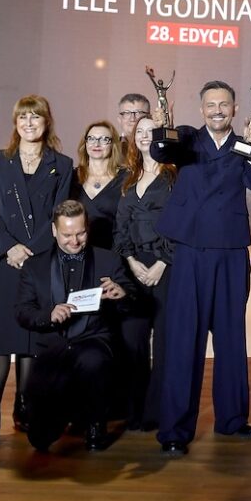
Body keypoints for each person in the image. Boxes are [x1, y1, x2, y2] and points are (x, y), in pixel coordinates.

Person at [150, 80, 251, 456]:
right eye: (211, 105)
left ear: (235, 109)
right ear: (202, 110)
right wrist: (161, 126)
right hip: (191, 250)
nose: (217, 110)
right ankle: (174, 430)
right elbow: (161, 150)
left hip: (231, 250)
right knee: (185, 339)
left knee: (232, 338)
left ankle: (232, 420)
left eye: (224, 105)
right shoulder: (187, 138)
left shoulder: (244, 143)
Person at [0, 95, 73, 447]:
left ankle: (24, 407)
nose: (29, 123)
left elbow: (60, 214)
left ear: (47, 122)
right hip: (3, 262)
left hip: (39, 261)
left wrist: (31, 250)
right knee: (0, 341)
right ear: (15, 123)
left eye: (36, 117)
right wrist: (9, 248)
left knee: (30, 341)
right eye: (23, 118)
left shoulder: (62, 164)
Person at [15, 201, 132, 452]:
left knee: (93, 362)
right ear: (54, 231)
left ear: (87, 227)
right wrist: (48, 314)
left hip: (92, 340)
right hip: (52, 347)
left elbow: (132, 303)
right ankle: (65, 414)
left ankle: (95, 424)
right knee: (39, 439)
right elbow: (22, 312)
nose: (75, 241)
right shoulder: (34, 266)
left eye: (80, 233)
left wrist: (122, 294)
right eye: (67, 235)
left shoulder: (108, 260)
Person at [113, 115, 177, 431]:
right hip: (134, 268)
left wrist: (162, 262)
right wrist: (129, 259)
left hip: (166, 266)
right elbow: (120, 226)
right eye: (139, 131)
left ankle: (157, 412)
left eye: (151, 131)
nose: (144, 136)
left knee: (163, 342)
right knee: (133, 339)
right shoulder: (128, 178)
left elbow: (180, 223)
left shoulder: (174, 176)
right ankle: (133, 410)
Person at [72, 122, 127, 253]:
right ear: (85, 143)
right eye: (91, 138)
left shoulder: (126, 178)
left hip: (114, 252)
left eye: (104, 139)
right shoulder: (71, 177)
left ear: (113, 144)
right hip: (77, 251)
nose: (96, 144)